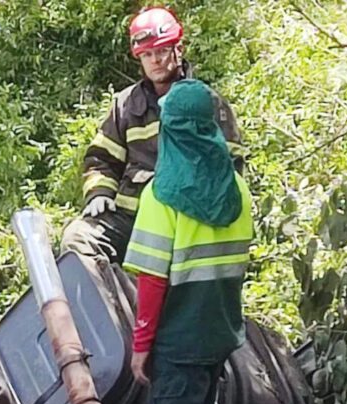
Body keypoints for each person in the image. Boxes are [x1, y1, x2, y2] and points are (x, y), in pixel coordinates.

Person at [122, 78, 251, 404]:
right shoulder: (235, 189)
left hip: (178, 337)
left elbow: (153, 284)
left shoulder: (164, 196)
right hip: (220, 330)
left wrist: (141, 346)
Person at [61, 7, 244, 265]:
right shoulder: (125, 105)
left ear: (177, 50)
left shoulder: (207, 103)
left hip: (186, 221)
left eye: (161, 51)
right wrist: (99, 193)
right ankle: (111, 303)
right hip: (130, 217)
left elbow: (230, 168)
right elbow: (101, 159)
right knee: (77, 239)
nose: (155, 60)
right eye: (147, 55)